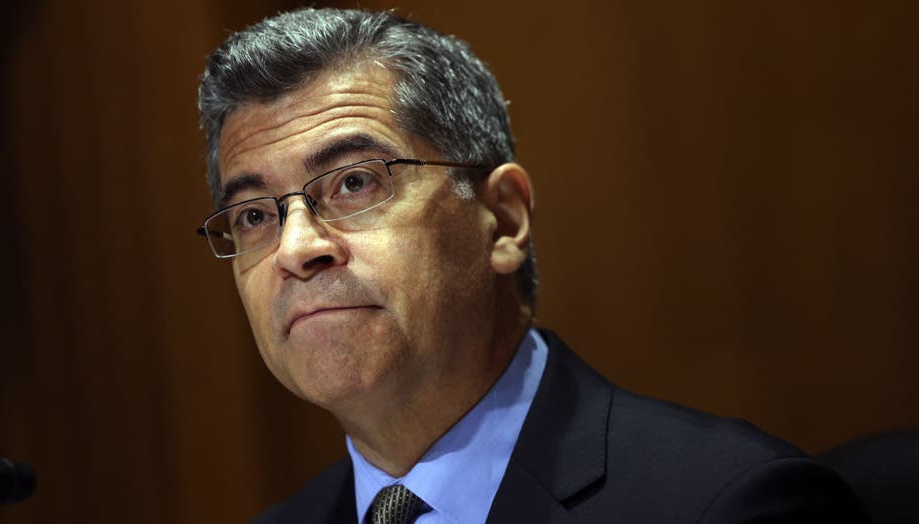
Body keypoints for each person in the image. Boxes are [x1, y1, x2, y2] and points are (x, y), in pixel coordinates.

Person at [196, 8, 868, 524]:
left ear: (505, 219)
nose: (295, 249)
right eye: (255, 215)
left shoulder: (726, 504)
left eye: (354, 183)